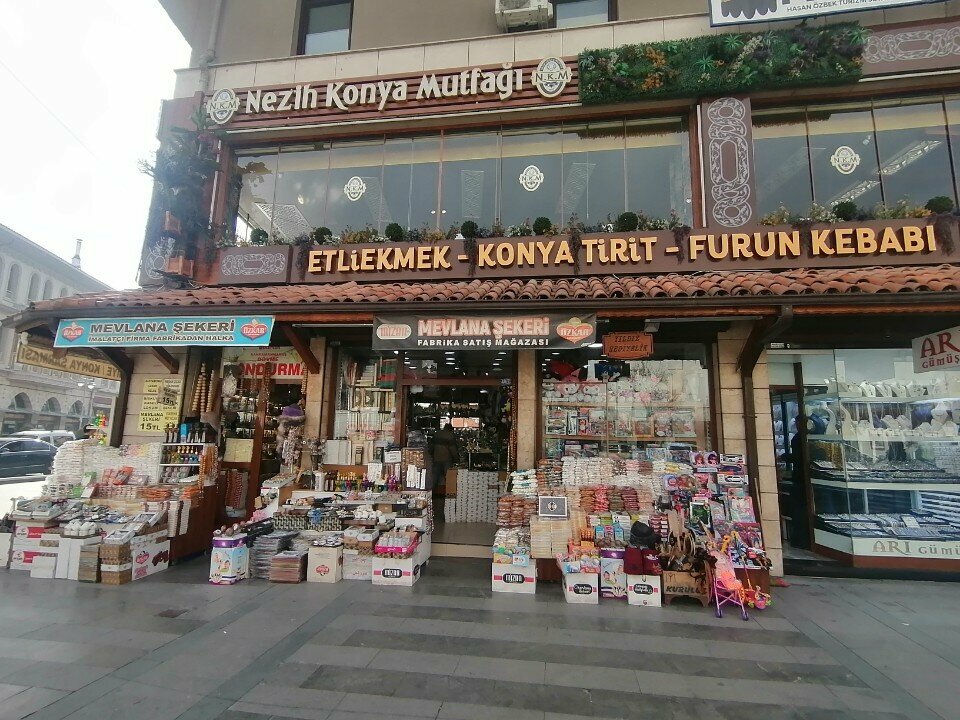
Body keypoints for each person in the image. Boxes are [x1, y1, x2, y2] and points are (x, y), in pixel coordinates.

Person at [431, 423, 459, 521]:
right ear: (450, 429)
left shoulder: (437, 433)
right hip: (446, 459)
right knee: (449, 477)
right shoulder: (450, 435)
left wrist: (432, 456)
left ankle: (430, 495)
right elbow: (452, 449)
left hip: (436, 458)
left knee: (434, 477)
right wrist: (457, 459)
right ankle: (450, 494)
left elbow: (431, 446)